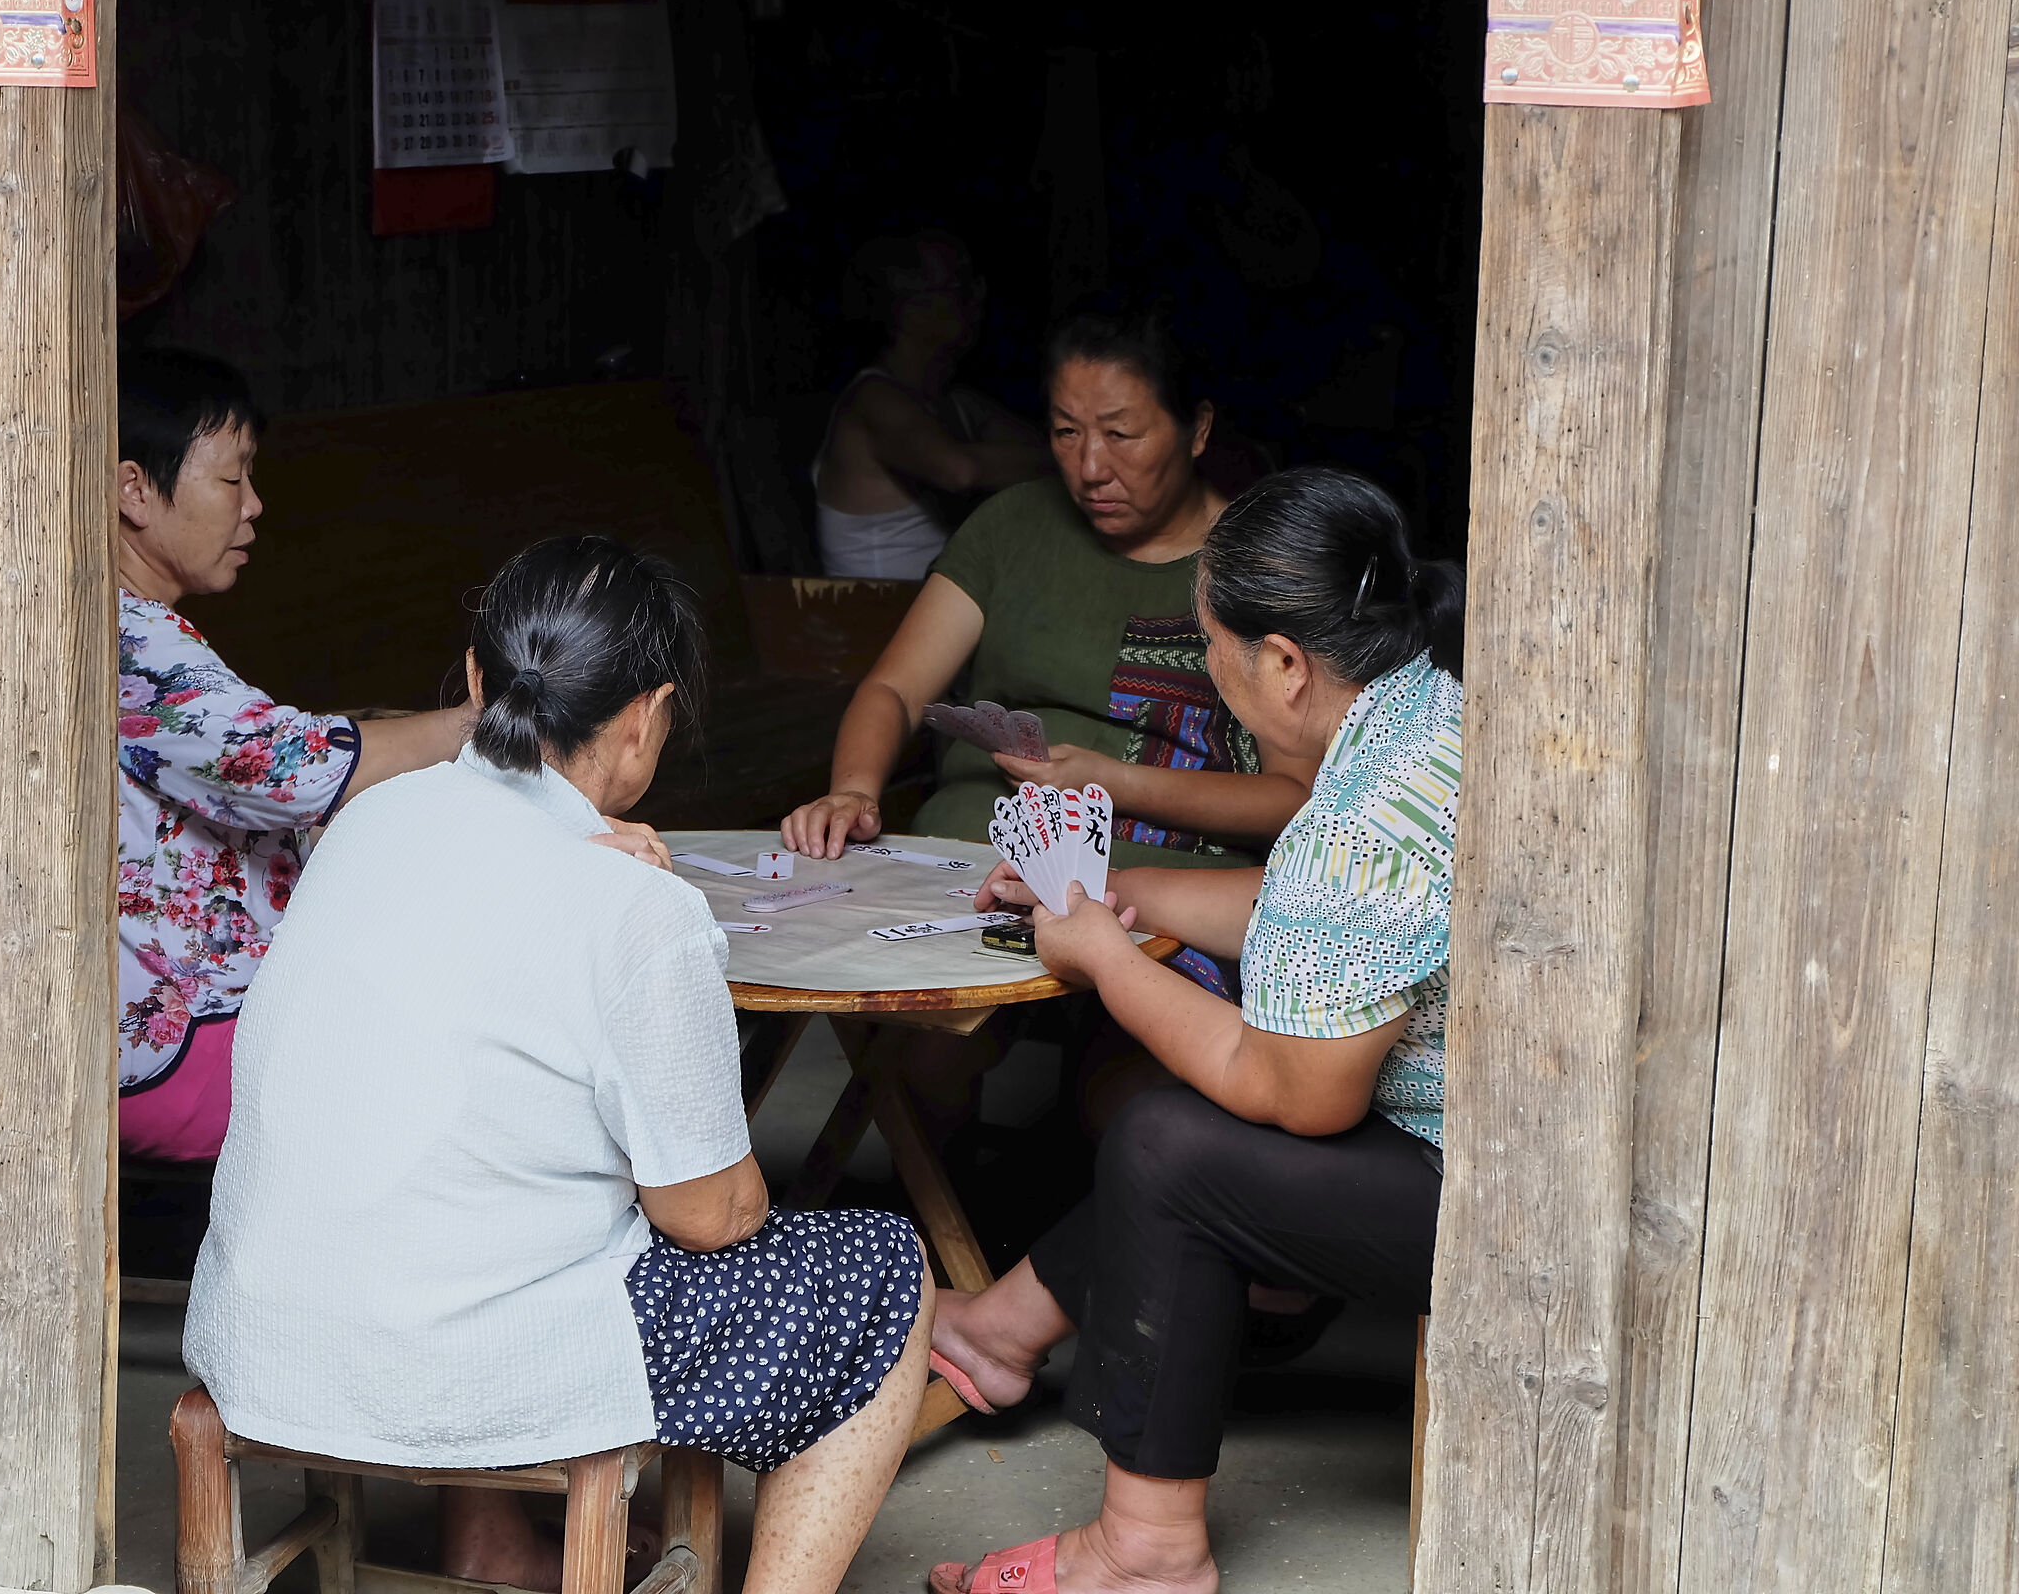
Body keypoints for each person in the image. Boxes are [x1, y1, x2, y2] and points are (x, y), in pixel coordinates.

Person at [183, 536, 935, 1594]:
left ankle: (488, 1541)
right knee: (883, 1273)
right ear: (645, 714)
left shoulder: (363, 822)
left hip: (262, 1331)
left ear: (482, 680)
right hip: (459, 1362)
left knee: (487, 1177)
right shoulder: (637, 907)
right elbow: (707, 1215)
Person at [923, 468, 1463, 1594]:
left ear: (1283, 663)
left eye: (1215, 649)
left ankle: (1144, 1552)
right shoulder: (1427, 714)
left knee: (1170, 1150)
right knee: (1177, 1136)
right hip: (1488, 1134)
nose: (1213, 681)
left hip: (1482, 1193)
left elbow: (1293, 1091)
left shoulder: (1357, 823)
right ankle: (1003, 1329)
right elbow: (1309, 917)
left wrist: (1106, 961)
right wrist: (1112, 896)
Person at [784, 303, 1321, 993]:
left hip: (1157, 889)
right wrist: (852, 791)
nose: (1091, 466)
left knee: (1106, 1069)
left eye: (1121, 434)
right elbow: (894, 688)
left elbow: (1292, 798)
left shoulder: (1254, 565)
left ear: (1199, 430)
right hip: (966, 865)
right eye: (1066, 432)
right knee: (887, 1010)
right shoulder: (1011, 527)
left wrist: (1109, 781)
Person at [112, 347, 476, 1163]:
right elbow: (288, 771)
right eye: (232, 479)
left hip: (202, 1025)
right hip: (194, 1045)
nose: (255, 506)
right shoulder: (127, 637)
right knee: (487, 1045)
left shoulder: (127, 623)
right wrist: (478, 725)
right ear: (134, 489)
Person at [811, 231, 1048, 579]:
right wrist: (1084, 457)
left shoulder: (957, 403)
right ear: (908, 309)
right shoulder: (872, 398)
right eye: (960, 287)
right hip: (876, 621)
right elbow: (959, 470)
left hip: (936, 614)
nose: (978, 298)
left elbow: (1044, 449)